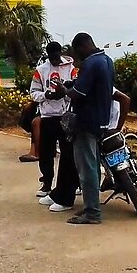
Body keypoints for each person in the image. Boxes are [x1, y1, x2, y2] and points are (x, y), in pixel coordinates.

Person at [61, 32, 114, 225]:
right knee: (92, 165)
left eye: (76, 53)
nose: (76, 57)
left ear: (82, 47)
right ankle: (91, 206)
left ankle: (92, 212)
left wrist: (63, 90)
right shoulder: (106, 60)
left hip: (85, 122)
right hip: (101, 120)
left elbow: (78, 94)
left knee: (87, 168)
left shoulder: (90, 64)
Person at [31, 42, 79, 211]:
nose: (55, 59)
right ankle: (47, 184)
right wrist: (46, 94)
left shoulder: (70, 68)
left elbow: (76, 89)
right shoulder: (41, 70)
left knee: (68, 154)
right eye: (51, 57)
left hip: (65, 116)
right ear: (48, 54)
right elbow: (33, 92)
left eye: (57, 56)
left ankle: (72, 185)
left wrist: (63, 95)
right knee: (46, 152)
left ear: (60, 53)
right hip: (47, 116)